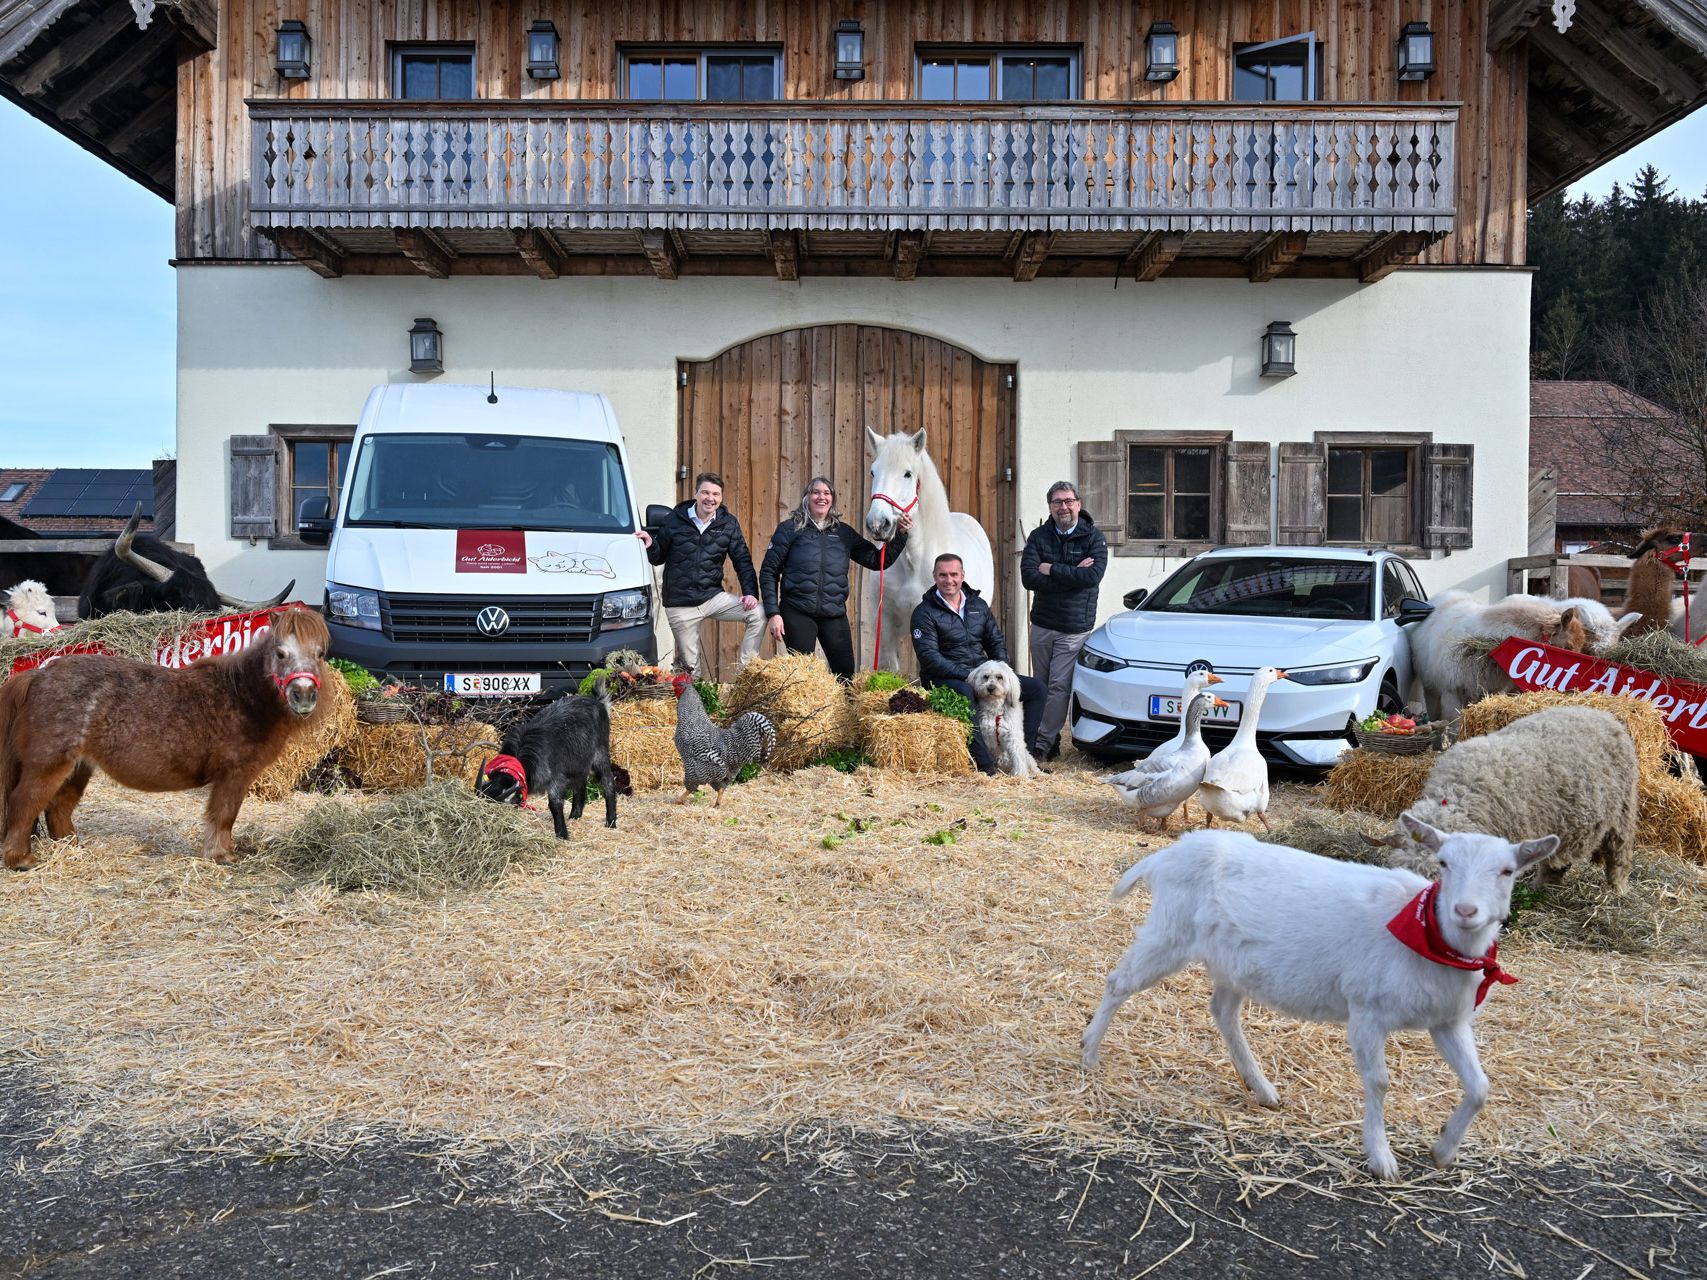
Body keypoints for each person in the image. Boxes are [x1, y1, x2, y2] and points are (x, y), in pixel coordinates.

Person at [760, 476, 910, 680]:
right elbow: (769, 571)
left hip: (833, 614)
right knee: (804, 678)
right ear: (807, 497)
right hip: (797, 611)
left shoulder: (843, 533)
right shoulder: (789, 529)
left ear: (832, 499)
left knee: (846, 674)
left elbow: (877, 560)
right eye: (816, 492)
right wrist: (773, 613)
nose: (821, 497)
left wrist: (900, 535)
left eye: (827, 493)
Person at [911, 553, 1045, 776]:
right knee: (965, 692)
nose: (949, 580)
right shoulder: (924, 613)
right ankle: (986, 766)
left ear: (963, 575)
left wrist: (1002, 670)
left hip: (985, 674)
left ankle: (1022, 758)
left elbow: (995, 641)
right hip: (946, 676)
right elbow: (930, 658)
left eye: (954, 574)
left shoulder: (978, 605)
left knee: (1037, 689)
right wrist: (970, 675)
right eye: (942, 575)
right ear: (934, 576)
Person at [635, 472, 763, 678]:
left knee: (758, 613)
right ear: (696, 494)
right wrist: (651, 545)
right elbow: (658, 557)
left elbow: (743, 561)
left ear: (721, 498)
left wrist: (750, 593)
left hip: (712, 597)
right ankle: (697, 705)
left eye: (715, 494)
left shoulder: (728, 523)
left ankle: (746, 677)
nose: (710, 498)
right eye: (705, 492)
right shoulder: (675, 520)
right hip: (680, 603)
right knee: (691, 672)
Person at [1020, 480, 1109, 761]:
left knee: (1059, 687)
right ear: (1050, 507)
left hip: (1074, 628)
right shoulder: (1038, 537)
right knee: (1040, 686)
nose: (1064, 507)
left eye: (1069, 501)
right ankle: (1049, 737)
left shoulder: (1094, 538)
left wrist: (1051, 570)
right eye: (1058, 502)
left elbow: (1091, 578)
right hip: (1043, 624)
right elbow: (1029, 578)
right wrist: (1071, 574)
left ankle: (1040, 745)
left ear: (1079, 505)